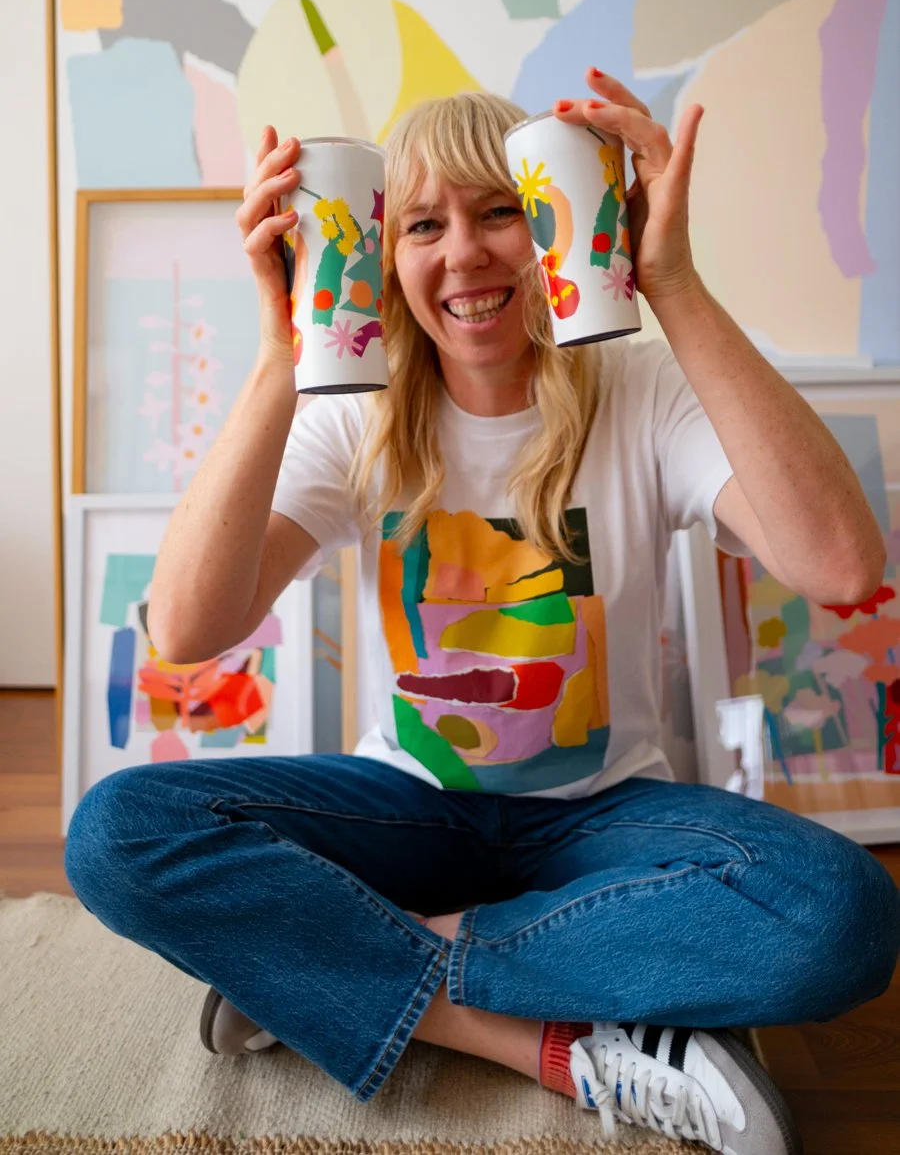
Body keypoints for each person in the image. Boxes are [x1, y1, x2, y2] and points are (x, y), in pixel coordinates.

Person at [64, 69, 899, 1153]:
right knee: (121, 832)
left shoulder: (641, 389)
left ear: (554, 224)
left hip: (607, 817)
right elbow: (181, 629)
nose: (464, 253)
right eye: (422, 224)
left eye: (502, 210)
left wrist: (675, 285)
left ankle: (344, 966)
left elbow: (839, 564)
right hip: (405, 809)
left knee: (841, 916)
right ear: (385, 254)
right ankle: (542, 1042)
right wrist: (282, 356)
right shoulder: (354, 411)